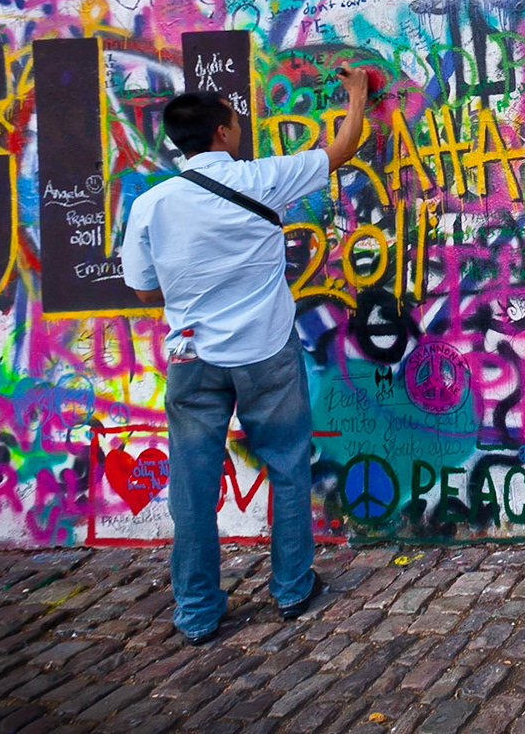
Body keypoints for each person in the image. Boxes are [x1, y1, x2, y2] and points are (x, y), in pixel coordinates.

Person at [121, 66, 371, 645]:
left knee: (192, 483)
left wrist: (192, 289)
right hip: (264, 349)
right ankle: (290, 589)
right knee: (286, 464)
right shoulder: (261, 179)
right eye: (235, 120)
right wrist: (356, 97)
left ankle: (198, 612)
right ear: (222, 133)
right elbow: (342, 148)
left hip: (191, 357)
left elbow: (143, 290)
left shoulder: (151, 206)